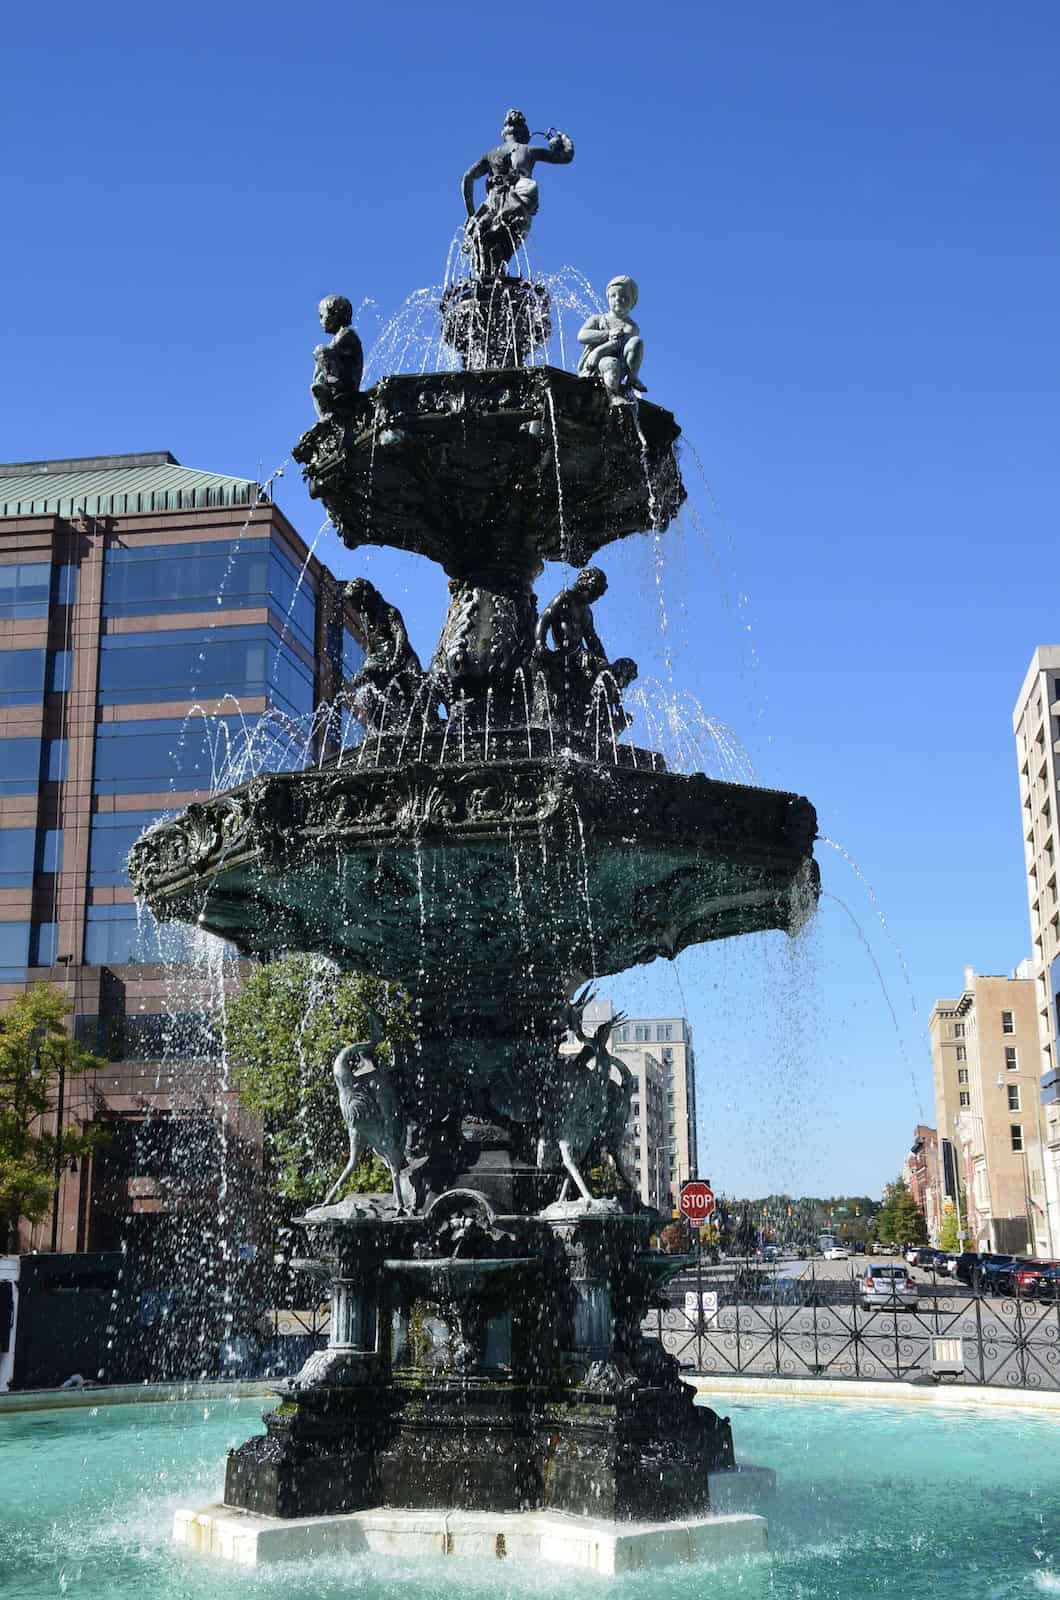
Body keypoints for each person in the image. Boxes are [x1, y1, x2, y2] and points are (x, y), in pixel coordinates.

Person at [461, 110, 574, 278]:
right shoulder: (529, 150)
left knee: (480, 242)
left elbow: (467, 178)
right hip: (517, 204)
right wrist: (561, 138)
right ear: (523, 134)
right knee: (508, 242)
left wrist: (471, 213)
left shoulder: (491, 155)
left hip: (491, 204)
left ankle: (490, 280)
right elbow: (566, 156)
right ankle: (498, 278)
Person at [576, 275, 646, 398]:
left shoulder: (632, 327)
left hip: (621, 364)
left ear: (633, 302)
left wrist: (599, 350)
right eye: (613, 296)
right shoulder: (598, 319)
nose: (618, 299)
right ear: (608, 298)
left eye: (624, 297)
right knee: (611, 363)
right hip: (595, 365)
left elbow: (620, 344)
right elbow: (581, 336)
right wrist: (607, 334)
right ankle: (614, 397)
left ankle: (632, 378)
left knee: (636, 342)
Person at [311, 295, 363, 420]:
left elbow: (328, 351)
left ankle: (332, 380)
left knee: (320, 350)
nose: (320, 321)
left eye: (322, 316)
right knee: (315, 387)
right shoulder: (338, 337)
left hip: (346, 383)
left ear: (334, 315)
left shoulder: (347, 333)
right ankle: (326, 416)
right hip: (337, 383)